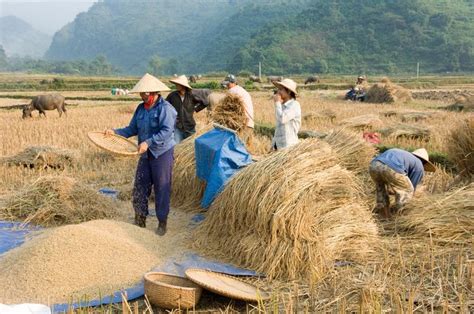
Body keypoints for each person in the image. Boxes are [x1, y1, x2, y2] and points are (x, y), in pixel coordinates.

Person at [105, 73, 176, 236]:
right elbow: (132, 129)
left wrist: (148, 142)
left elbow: (167, 131)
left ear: (155, 92)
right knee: (140, 186)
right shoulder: (140, 109)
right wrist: (114, 132)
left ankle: (162, 222)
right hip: (144, 154)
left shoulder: (166, 109)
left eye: (146, 93)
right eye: (141, 93)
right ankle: (140, 219)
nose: (143, 96)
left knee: (161, 187)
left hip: (161, 153)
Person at [369, 148, 436, 217]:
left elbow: (392, 180)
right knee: (407, 190)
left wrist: (393, 190)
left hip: (374, 165)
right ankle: (400, 216)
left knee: (381, 190)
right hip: (391, 168)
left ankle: (384, 216)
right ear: (424, 162)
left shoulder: (405, 156)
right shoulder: (419, 166)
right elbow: (411, 188)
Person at [167, 75, 208, 143]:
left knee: (191, 146)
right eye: (176, 84)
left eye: (178, 84)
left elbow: (205, 102)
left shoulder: (191, 95)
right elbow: (166, 106)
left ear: (183, 85)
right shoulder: (172, 95)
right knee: (176, 146)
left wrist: (196, 109)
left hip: (190, 126)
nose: (176, 85)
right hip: (178, 127)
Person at [221, 74, 254, 146]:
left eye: (228, 84)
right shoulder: (243, 90)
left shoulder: (232, 91)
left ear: (233, 83)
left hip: (241, 124)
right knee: (242, 148)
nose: (227, 86)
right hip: (249, 123)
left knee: (237, 148)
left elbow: (225, 107)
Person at [271, 78, 301, 150]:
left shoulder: (294, 105)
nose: (278, 92)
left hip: (288, 146)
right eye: (278, 89)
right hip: (279, 146)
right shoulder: (282, 106)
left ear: (289, 92)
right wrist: (273, 145)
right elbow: (279, 128)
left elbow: (282, 119)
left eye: (281, 89)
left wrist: (277, 102)